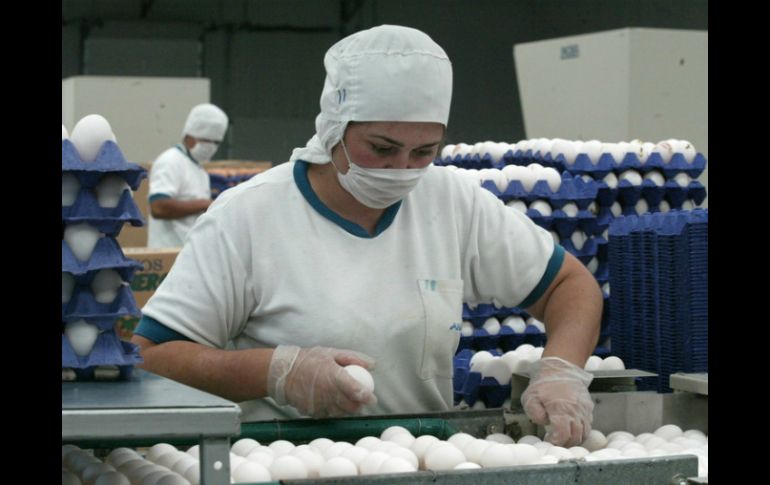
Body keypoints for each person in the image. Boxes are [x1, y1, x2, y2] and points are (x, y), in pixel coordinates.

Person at [132, 25, 602, 447]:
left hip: (422, 463)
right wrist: (276, 371)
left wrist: (561, 371)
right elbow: (152, 356)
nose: (401, 169)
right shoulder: (248, 217)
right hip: (285, 462)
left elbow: (571, 286)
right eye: (381, 148)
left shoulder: (452, 202)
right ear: (333, 127)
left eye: (424, 151)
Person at [146, 103, 229, 248]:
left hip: (189, 252)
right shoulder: (170, 161)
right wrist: (204, 204)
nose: (211, 147)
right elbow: (158, 207)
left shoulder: (199, 171)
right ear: (189, 135)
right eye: (206, 141)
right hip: (169, 252)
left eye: (216, 143)